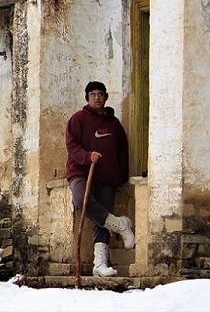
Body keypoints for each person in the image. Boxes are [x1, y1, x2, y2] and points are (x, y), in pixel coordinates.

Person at [66, 81, 135, 277]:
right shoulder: (78, 119)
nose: (97, 98)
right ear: (87, 98)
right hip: (81, 172)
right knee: (82, 201)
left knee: (100, 219)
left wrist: (119, 176)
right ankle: (121, 225)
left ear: (105, 97)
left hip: (106, 177)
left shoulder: (114, 124)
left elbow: (122, 151)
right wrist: (87, 157)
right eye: (93, 94)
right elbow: (71, 145)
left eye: (100, 94)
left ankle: (100, 264)